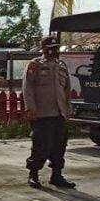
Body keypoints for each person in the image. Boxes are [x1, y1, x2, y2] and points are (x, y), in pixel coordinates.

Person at [23, 36, 76, 189]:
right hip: (42, 113)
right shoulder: (35, 64)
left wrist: (68, 108)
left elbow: (66, 89)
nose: (53, 50)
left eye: (55, 47)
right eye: (49, 47)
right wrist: (31, 107)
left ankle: (57, 175)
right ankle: (33, 174)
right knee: (41, 145)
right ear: (43, 48)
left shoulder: (62, 65)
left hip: (59, 113)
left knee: (59, 146)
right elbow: (28, 87)